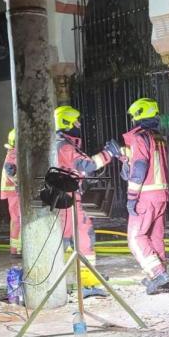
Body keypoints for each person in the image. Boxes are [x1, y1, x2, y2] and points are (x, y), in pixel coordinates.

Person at [54, 106, 121, 289]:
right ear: (66, 122)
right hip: (67, 200)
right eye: (76, 121)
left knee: (67, 239)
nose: (79, 125)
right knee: (82, 235)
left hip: (63, 198)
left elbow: (78, 168)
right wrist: (109, 154)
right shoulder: (64, 146)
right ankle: (86, 282)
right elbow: (86, 165)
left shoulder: (61, 144)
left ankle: (73, 281)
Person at [120, 98, 169, 295]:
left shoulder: (139, 138)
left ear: (138, 115)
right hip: (161, 195)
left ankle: (158, 273)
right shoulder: (158, 137)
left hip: (145, 196)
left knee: (136, 237)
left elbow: (139, 168)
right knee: (155, 237)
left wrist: (131, 197)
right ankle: (162, 276)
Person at [0, 129, 21, 256]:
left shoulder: (14, 154)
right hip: (15, 193)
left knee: (17, 220)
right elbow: (13, 174)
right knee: (18, 219)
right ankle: (17, 249)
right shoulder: (13, 155)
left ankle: (17, 248)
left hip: (15, 193)